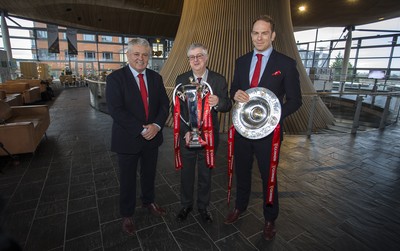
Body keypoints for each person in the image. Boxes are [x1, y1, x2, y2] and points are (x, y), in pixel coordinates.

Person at [224, 15, 302, 241]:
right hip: (242, 131)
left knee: (269, 177)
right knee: (242, 173)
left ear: (273, 35)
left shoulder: (286, 64)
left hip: (270, 134)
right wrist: (234, 94)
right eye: (255, 33)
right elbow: (235, 90)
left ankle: (270, 219)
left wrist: (274, 118)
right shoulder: (241, 61)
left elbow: (296, 100)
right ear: (251, 35)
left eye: (264, 33)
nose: (259, 37)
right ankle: (240, 207)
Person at [106, 37, 170, 236]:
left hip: (153, 137)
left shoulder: (155, 78)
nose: (140, 58)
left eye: (144, 54)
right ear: (128, 55)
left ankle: (149, 201)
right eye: (136, 54)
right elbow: (116, 110)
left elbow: (164, 106)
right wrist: (142, 129)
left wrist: (157, 126)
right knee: (127, 179)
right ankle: (127, 214)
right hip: (128, 138)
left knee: (149, 173)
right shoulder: (115, 78)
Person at [174, 43, 232, 223]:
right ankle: (185, 205)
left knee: (206, 175)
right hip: (188, 136)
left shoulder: (218, 80)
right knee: (186, 174)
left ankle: (203, 207)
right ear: (189, 60)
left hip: (209, 137)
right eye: (192, 57)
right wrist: (185, 132)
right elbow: (177, 110)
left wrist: (218, 102)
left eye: (199, 56)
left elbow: (228, 105)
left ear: (206, 58)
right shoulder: (181, 79)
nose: (196, 60)